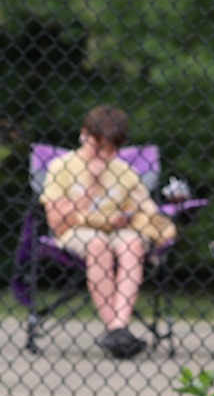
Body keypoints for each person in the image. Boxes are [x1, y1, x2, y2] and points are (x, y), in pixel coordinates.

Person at [39, 104, 172, 359]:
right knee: (98, 245)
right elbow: (57, 222)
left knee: (132, 245)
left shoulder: (124, 171)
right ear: (84, 135)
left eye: (113, 148)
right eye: (100, 146)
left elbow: (146, 210)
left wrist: (139, 215)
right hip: (79, 233)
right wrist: (91, 186)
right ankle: (117, 329)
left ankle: (117, 327)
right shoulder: (61, 167)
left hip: (119, 231)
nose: (106, 155)